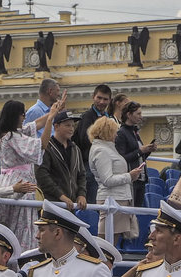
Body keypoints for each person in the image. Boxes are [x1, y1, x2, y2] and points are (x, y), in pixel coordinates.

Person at [0, 97, 64, 250]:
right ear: (15, 115)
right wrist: (50, 120)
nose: (24, 117)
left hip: (10, 180)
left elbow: (36, 124)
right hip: (19, 184)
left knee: (15, 224)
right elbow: (42, 145)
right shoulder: (12, 137)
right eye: (22, 114)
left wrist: (54, 112)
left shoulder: (7, 134)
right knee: (21, 225)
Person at [88, 116, 144, 244]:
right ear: (107, 132)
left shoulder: (106, 148)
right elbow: (107, 180)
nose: (116, 135)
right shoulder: (101, 151)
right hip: (112, 199)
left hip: (117, 198)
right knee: (106, 244)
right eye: (114, 132)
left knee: (111, 244)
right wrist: (129, 176)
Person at [36, 111, 87, 211]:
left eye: (73, 125)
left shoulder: (75, 149)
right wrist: (60, 196)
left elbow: (81, 175)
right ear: (56, 126)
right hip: (51, 204)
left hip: (70, 205)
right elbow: (42, 175)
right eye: (67, 125)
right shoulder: (46, 148)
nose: (71, 129)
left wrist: (81, 195)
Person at [114, 101, 154, 206]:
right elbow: (121, 159)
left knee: (137, 213)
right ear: (129, 114)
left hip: (141, 179)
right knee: (131, 212)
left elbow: (139, 156)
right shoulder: (121, 133)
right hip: (131, 180)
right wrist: (141, 151)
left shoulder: (134, 132)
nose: (141, 117)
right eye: (138, 114)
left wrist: (147, 150)